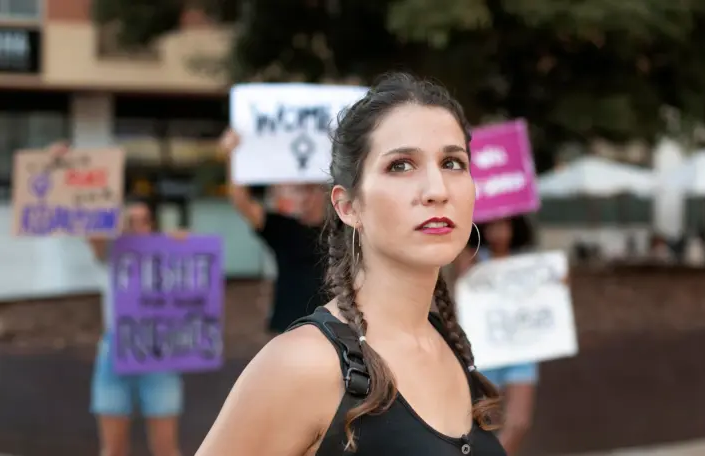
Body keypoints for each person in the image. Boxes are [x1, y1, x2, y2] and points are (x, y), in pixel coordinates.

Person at [195, 73, 506, 455]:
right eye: (401, 165)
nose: (437, 190)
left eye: (452, 163)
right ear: (347, 206)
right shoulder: (304, 364)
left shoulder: (451, 345)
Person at [48, 143, 186, 456]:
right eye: (128, 221)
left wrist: (184, 247)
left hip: (160, 350)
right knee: (112, 450)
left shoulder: (171, 257)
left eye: (142, 221)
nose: (135, 227)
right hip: (116, 350)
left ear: (153, 225)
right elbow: (88, 221)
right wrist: (65, 171)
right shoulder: (111, 254)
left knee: (166, 449)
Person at [220, 129, 328, 334]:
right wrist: (233, 156)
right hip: (291, 323)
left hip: (334, 325)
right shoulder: (282, 228)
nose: (305, 197)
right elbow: (241, 201)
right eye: (298, 190)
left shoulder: (344, 229)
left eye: (311, 188)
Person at [454, 217, 538, 455]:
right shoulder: (472, 260)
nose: (498, 232)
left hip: (521, 351)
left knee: (519, 421)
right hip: (485, 352)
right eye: (492, 226)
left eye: (504, 225)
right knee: (484, 423)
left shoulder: (528, 264)